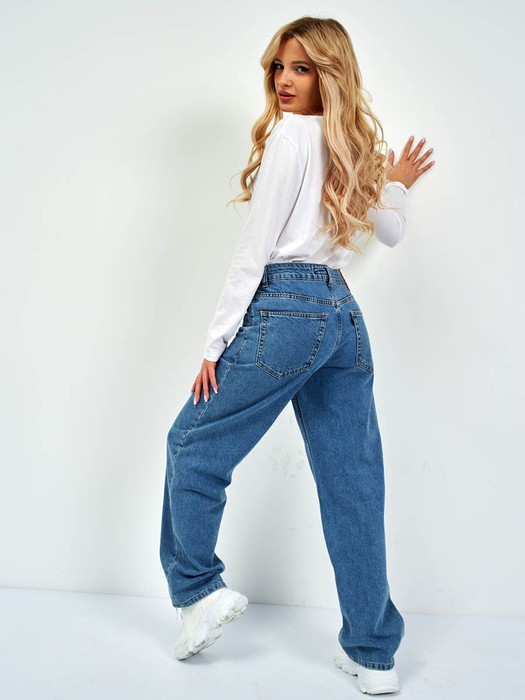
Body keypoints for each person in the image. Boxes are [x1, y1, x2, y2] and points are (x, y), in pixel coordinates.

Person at [160, 15, 434, 695]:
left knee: (191, 446)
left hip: (285, 312)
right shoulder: (353, 145)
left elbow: (254, 251)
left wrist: (215, 343)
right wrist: (395, 182)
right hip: (342, 319)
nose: (284, 80)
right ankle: (373, 656)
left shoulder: (289, 137)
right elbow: (390, 231)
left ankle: (198, 591)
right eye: (279, 67)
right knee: (353, 486)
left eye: (302, 68)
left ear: (329, 74)